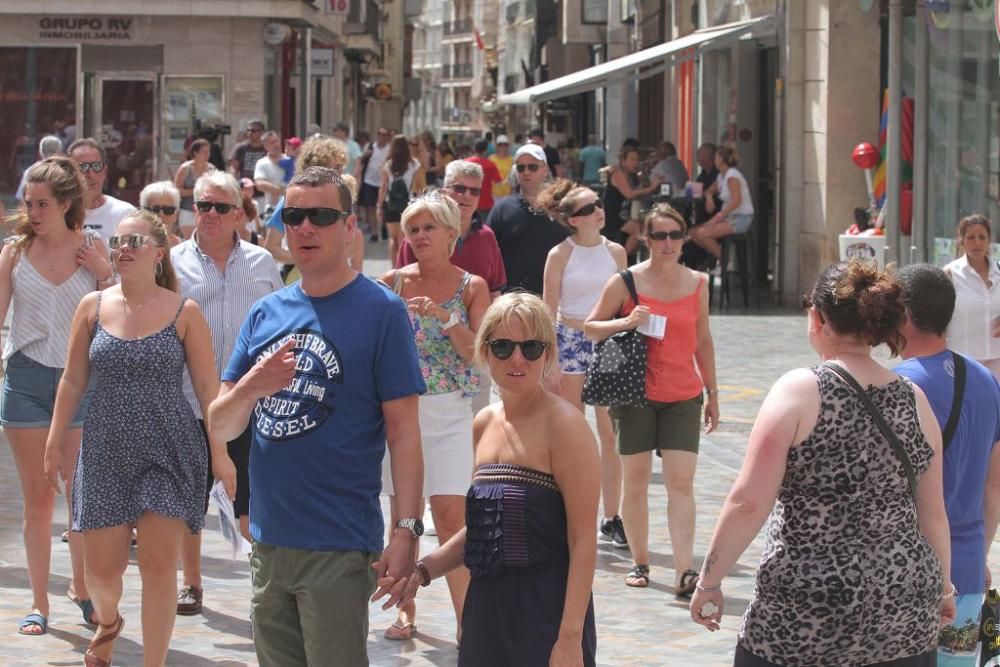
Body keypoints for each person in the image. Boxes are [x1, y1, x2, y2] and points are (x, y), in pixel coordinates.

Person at [208, 167, 426, 665]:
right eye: (295, 215)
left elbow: (405, 433)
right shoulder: (266, 313)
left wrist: (406, 528)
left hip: (338, 542)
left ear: (350, 227)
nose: (305, 227)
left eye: (322, 216)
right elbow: (220, 425)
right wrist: (252, 386)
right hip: (268, 538)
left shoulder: (382, 312)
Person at [689, 261, 956, 666]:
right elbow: (933, 515)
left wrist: (709, 581)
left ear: (816, 317)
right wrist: (943, 590)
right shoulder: (914, 398)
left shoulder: (799, 391)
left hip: (808, 608)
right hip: (903, 603)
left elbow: (748, 502)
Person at [43, 209, 235, 667]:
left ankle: (154, 662)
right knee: (102, 574)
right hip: (106, 450)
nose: (123, 249)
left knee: (157, 567)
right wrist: (54, 440)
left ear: (158, 253)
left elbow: (209, 389)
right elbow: (72, 380)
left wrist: (221, 454)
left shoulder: (184, 312)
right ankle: (109, 622)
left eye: (134, 242)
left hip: (169, 449)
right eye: (118, 242)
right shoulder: (92, 306)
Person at [374, 292, 600, 666]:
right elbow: (484, 529)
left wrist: (570, 637)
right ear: (485, 351)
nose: (516, 358)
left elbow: (583, 541)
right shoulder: (485, 423)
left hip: (545, 612)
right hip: (486, 613)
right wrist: (422, 571)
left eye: (530, 347)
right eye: (502, 346)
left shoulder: (566, 426)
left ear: (547, 353)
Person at [0, 157, 113, 637]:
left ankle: (82, 590)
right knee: (38, 500)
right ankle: (39, 602)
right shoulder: (13, 252)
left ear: (67, 204)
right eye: (28, 202)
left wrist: (106, 271)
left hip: (80, 383)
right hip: (25, 379)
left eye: (42, 203)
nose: (33, 211)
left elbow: (120, 314)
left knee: (80, 497)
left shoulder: (92, 249)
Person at [585, 203, 719, 593]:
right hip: (633, 394)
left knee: (681, 483)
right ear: (645, 238)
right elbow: (592, 328)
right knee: (637, 481)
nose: (667, 243)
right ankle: (641, 562)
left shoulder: (698, 283)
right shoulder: (625, 282)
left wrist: (713, 392)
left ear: (684, 238)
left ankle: (683, 571)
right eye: (659, 235)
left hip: (683, 395)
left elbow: (703, 340)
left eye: (674, 235)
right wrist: (626, 321)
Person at [172, 171, 284, 617]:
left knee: (251, 494)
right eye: (203, 206)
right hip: (186, 398)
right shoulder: (172, 262)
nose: (211, 215)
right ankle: (191, 583)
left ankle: (264, 585)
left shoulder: (261, 263)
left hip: (247, 400)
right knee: (188, 498)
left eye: (221, 207)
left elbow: (280, 324)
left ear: (239, 212)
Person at [379, 193, 489, 642]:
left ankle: (467, 619)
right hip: (403, 414)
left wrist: (445, 318)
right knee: (403, 518)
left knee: (451, 517)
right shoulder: (392, 284)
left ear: (450, 233)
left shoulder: (472, 287)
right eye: (413, 230)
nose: (420, 237)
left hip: (451, 413)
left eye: (429, 228)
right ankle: (404, 609)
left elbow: (479, 354)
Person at [895, 263, 1000, 666]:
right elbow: (994, 486)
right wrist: (983, 555)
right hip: (969, 566)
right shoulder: (987, 380)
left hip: (911, 572)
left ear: (903, 313)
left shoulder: (900, 386)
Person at [540, 179, 628, 549]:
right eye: (590, 207)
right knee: (573, 431)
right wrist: (550, 360)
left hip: (606, 342)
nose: (599, 211)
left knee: (611, 434)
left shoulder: (618, 252)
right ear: (575, 219)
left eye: (599, 204)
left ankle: (612, 516)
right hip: (569, 339)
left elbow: (624, 302)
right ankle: (569, 511)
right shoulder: (560, 254)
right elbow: (547, 307)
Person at [486, 144, 568, 295]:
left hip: (554, 298)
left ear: (545, 170)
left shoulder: (561, 208)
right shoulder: (502, 209)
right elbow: (487, 253)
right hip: (512, 299)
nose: (526, 172)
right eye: (521, 168)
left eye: (532, 167)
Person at [263, 136, 348, 275]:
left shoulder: (341, 199)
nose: (340, 174)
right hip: (299, 279)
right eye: (336, 168)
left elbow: (349, 245)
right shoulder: (291, 200)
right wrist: (310, 257)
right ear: (317, 167)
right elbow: (271, 248)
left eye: (341, 168)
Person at [944, 215, 1000, 379]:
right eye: (971, 237)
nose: (977, 243)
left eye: (982, 237)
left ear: (989, 241)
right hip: (963, 359)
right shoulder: (950, 274)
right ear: (961, 240)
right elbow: (938, 316)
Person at [690, 145, 754, 263]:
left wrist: (719, 216)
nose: (714, 160)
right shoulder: (721, 176)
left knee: (702, 233)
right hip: (729, 217)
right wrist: (709, 198)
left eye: (716, 157)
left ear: (721, 159)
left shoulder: (732, 176)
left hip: (740, 218)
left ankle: (725, 262)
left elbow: (736, 201)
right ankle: (719, 257)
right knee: (693, 233)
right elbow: (709, 191)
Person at [69, 138, 136, 243]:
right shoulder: (60, 215)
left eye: (96, 166)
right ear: (70, 174)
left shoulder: (125, 213)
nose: (90, 174)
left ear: (104, 172)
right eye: (83, 167)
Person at [602, 146, 663, 257]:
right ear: (623, 161)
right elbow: (629, 194)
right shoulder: (618, 174)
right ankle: (620, 261)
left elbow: (641, 190)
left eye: (637, 160)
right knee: (639, 230)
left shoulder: (634, 176)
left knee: (645, 228)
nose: (635, 163)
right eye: (631, 160)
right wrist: (650, 188)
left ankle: (627, 258)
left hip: (625, 215)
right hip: (612, 216)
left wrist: (647, 178)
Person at [377, 135, 425, 263]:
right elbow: (419, 186)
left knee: (392, 238)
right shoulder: (414, 164)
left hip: (390, 204)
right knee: (403, 237)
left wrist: (379, 206)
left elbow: (383, 187)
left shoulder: (388, 165)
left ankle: (394, 268)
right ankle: (402, 266)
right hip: (408, 204)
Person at [174, 138, 215, 237]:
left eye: (208, 152)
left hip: (205, 212)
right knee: (189, 239)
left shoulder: (211, 169)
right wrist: (195, 191)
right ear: (195, 153)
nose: (207, 154)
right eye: (204, 152)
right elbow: (177, 190)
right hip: (187, 210)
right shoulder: (185, 168)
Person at [358, 127, 392, 241]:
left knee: (383, 208)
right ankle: (374, 232)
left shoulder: (389, 149)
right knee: (371, 208)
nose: (381, 136)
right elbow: (361, 160)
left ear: (387, 136)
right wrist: (366, 155)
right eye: (379, 134)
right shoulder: (370, 146)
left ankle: (383, 227)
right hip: (369, 181)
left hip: (383, 182)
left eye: (384, 134)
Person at [228, 119, 268, 202]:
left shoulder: (267, 148)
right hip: (245, 192)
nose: (250, 133)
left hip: (264, 193)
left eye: (253, 131)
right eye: (248, 130)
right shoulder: (240, 148)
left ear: (262, 132)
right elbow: (233, 168)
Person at [15, 134, 63, 200]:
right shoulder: (68, 171)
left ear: (40, 151)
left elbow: (22, 200)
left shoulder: (30, 171)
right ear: (60, 151)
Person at [139, 181, 184, 246]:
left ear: (176, 216)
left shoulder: (187, 251)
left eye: (168, 210)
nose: (161, 214)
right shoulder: (131, 247)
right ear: (143, 213)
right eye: (154, 209)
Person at [253, 131, 287, 215]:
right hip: (273, 209)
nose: (276, 145)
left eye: (277, 141)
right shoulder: (262, 163)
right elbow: (259, 184)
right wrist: (282, 190)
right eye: (272, 143)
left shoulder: (290, 159)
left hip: (292, 208)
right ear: (266, 146)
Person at [466, 139, 502, 217]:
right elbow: (498, 182)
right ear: (486, 150)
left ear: (474, 148)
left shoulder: (465, 163)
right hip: (485, 202)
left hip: (468, 200)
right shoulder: (491, 165)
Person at [489, 135, 513, 200]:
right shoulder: (491, 159)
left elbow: (513, 177)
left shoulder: (512, 160)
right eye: (500, 144)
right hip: (494, 194)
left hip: (508, 194)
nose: (503, 146)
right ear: (496, 146)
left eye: (505, 144)